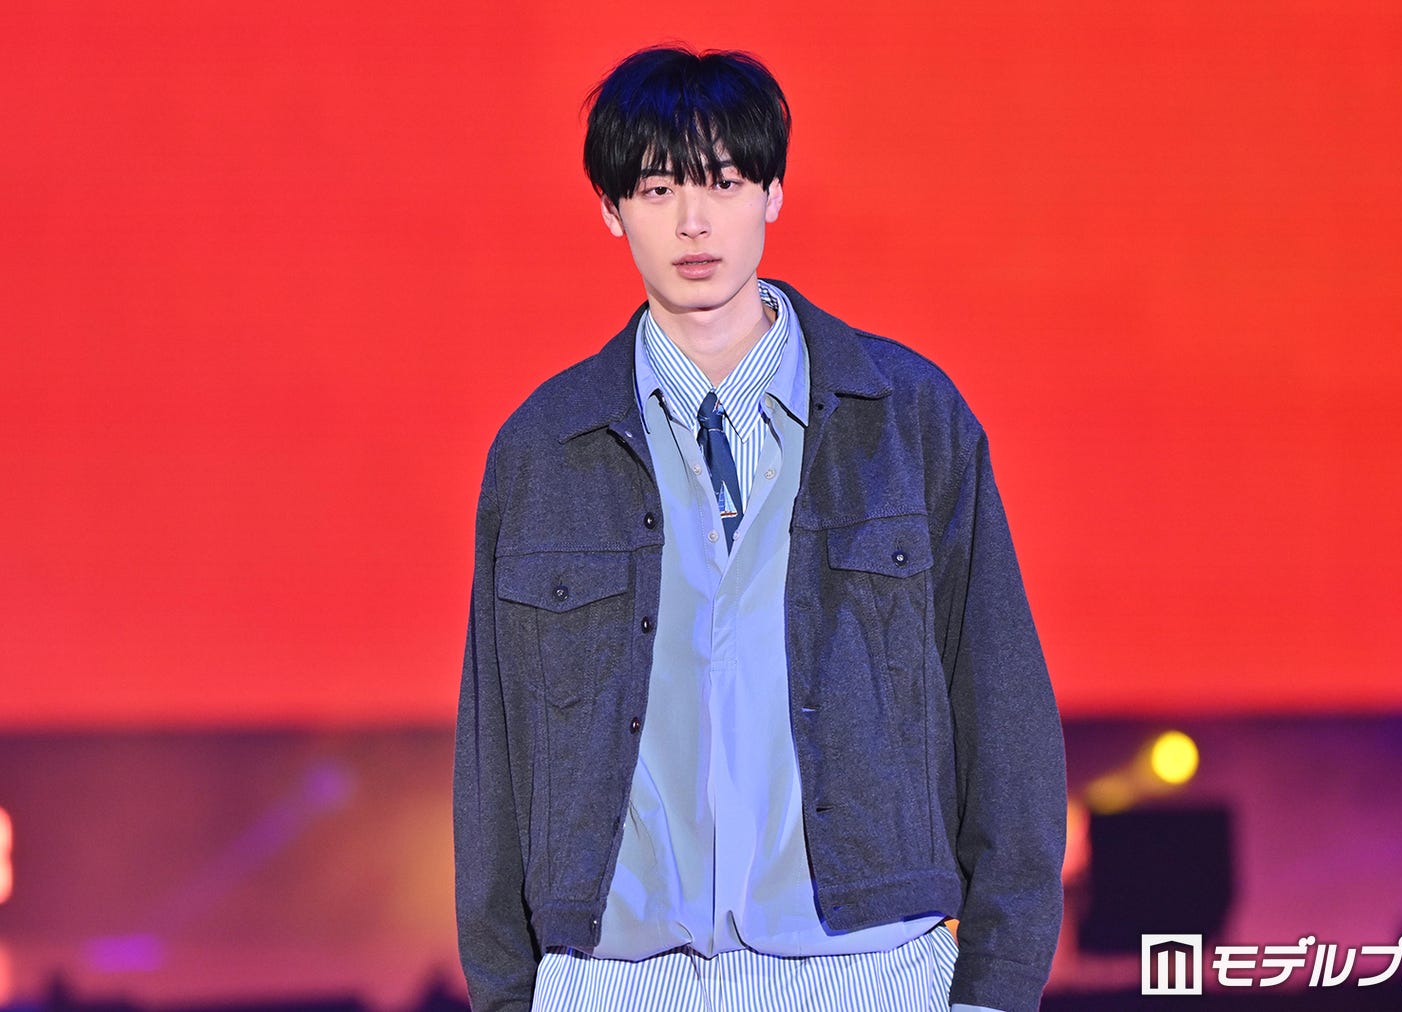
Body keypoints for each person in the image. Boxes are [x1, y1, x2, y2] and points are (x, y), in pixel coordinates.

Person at [454, 45, 1065, 1012]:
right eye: (657, 189)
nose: (693, 222)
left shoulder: (908, 419)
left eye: (725, 182)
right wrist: (505, 994)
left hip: (870, 973)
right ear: (611, 209)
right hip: (615, 983)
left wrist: (997, 985)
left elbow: (1002, 707)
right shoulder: (543, 450)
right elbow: (493, 755)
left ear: (774, 192)